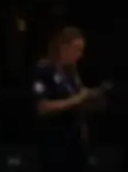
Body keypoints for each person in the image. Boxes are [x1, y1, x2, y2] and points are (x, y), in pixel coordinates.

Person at [33, 26, 103, 172]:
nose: (80, 55)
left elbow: (79, 98)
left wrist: (91, 97)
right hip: (55, 146)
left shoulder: (71, 72)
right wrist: (76, 99)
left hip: (76, 145)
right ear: (63, 47)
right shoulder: (45, 70)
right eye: (76, 49)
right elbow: (42, 107)